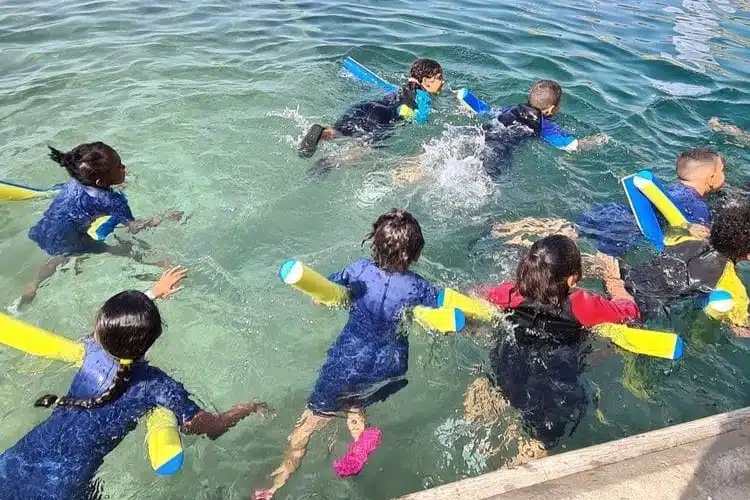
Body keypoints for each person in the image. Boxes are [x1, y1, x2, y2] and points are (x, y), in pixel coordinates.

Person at [0, 267, 270, 500]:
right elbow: (209, 427)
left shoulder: (90, 352)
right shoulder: (156, 386)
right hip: (66, 484)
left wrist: (153, 292)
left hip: (19, 458)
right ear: (158, 335)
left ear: (99, 332)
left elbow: (111, 326)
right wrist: (248, 407)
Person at [252, 209, 440, 500]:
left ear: (374, 244)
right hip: (389, 362)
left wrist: (328, 298)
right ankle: (362, 436)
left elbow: (323, 295)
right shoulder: (418, 286)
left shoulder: (359, 270)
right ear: (416, 255)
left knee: (310, 420)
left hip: (349, 358)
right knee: (355, 403)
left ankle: (277, 484)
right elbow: (439, 311)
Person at [463, 235, 639, 458]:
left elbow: (474, 295)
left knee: (502, 392)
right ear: (572, 280)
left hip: (505, 366)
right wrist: (614, 280)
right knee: (539, 442)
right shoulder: (583, 304)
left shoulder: (511, 293)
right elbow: (630, 312)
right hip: (553, 384)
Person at [21, 142, 182, 305]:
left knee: (57, 256)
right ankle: (152, 269)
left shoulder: (74, 182)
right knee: (121, 248)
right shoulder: (112, 201)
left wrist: (113, 181)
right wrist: (162, 217)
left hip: (47, 228)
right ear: (100, 182)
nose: (124, 167)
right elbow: (134, 227)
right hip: (73, 238)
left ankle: (33, 284)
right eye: (119, 167)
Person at [392, 80, 607, 185]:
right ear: (551, 109)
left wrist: (467, 97)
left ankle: (412, 171)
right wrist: (599, 140)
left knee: (447, 155)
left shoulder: (511, 108)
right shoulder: (543, 125)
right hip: (498, 150)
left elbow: (485, 109)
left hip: (479, 134)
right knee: (473, 179)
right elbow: (569, 146)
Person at [621, 203, 750, 335]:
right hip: (643, 308)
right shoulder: (733, 286)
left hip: (625, 275)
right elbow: (738, 329)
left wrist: (688, 227)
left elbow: (668, 231)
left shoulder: (683, 238)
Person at [577, 147, 725, 256]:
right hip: (628, 230)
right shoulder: (699, 207)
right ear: (711, 179)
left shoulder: (667, 191)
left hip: (611, 212)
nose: (724, 175)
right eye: (722, 170)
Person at [298, 58, 444, 158]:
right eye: (439, 77)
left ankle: (323, 133)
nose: (442, 82)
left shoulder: (399, 89)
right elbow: (421, 120)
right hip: (384, 117)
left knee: (343, 131)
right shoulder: (423, 97)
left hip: (368, 106)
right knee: (365, 149)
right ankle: (332, 162)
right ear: (426, 81)